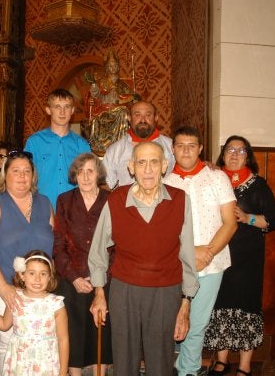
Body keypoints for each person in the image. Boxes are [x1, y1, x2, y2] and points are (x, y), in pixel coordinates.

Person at [88, 141, 199, 376]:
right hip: (124, 289)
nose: (147, 169)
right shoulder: (116, 200)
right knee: (123, 359)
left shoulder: (180, 200)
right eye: (141, 162)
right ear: (131, 167)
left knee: (160, 361)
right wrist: (99, 293)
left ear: (164, 166)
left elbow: (187, 255)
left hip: (165, 290)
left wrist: (186, 302)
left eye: (154, 162)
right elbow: (98, 250)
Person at [164, 126, 237, 376]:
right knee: (172, 323)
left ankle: (188, 371)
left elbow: (230, 222)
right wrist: (190, 252)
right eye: (180, 145)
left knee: (197, 324)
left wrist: (207, 253)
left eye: (192, 145)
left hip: (212, 264)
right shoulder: (163, 181)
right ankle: (171, 367)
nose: (186, 150)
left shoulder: (217, 177)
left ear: (201, 149)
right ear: (172, 149)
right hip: (173, 263)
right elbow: (159, 229)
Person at [203, 136, 275, 376]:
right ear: (222, 154)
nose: (234, 154)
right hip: (218, 253)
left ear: (248, 156)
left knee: (246, 307)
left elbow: (273, 221)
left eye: (240, 150)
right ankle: (222, 361)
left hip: (248, 258)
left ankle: (245, 365)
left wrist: (248, 218)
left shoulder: (258, 185)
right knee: (220, 305)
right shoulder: (212, 179)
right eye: (229, 150)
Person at [0, 150, 54, 375]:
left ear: (34, 176)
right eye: (16, 171)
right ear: (5, 175)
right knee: (10, 341)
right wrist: (3, 288)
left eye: (27, 172)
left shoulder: (44, 202)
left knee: (39, 341)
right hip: (6, 283)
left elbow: (55, 241)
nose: (22, 177)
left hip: (40, 286)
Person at [53, 153, 112, 376]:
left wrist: (102, 279)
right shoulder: (64, 200)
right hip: (72, 277)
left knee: (102, 330)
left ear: (98, 174)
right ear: (74, 176)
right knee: (73, 330)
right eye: (80, 171)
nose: (85, 176)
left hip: (105, 276)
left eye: (90, 171)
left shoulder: (111, 200)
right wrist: (75, 277)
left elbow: (116, 244)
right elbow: (58, 244)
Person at [0, 250, 69, 376]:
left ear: (50, 276)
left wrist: (63, 371)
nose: (37, 279)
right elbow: (4, 324)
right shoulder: (15, 298)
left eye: (43, 274)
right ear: (22, 275)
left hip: (46, 362)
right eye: (32, 273)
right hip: (20, 361)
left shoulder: (56, 304)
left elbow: (63, 340)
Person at [24, 88, 91, 209]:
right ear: (48, 110)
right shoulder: (34, 142)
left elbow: (89, 181)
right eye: (57, 107)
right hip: (41, 210)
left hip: (73, 210)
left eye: (66, 107)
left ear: (72, 110)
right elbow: (25, 177)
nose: (62, 112)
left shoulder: (82, 145)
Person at [102, 100, 174, 190]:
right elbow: (105, 185)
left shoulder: (171, 146)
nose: (143, 120)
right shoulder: (115, 150)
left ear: (156, 118)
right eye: (137, 115)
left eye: (148, 115)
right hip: (126, 202)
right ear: (129, 118)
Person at [84, 49, 138, 155]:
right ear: (107, 67)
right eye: (110, 66)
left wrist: (133, 100)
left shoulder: (122, 85)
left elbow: (128, 99)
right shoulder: (102, 82)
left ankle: (121, 145)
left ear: (118, 67)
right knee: (96, 121)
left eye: (114, 65)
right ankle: (99, 147)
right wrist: (94, 87)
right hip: (104, 110)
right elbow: (97, 96)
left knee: (123, 112)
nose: (112, 68)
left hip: (118, 111)